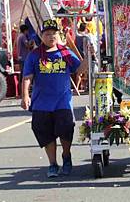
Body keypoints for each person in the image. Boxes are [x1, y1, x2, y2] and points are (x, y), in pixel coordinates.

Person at [21, 19, 89, 177]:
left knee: (66, 129)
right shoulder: (34, 55)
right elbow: (27, 77)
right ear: (42, 36)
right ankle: (52, 163)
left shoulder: (65, 53)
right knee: (45, 133)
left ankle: (66, 156)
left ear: (58, 36)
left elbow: (79, 70)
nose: (51, 36)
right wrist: (25, 96)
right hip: (41, 103)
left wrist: (88, 57)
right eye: (47, 34)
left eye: (54, 34)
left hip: (62, 101)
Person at [17, 24, 34, 88]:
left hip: (21, 57)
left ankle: (21, 90)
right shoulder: (23, 36)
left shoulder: (19, 36)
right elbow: (27, 45)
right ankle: (23, 89)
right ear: (25, 30)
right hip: (24, 57)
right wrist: (32, 43)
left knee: (22, 73)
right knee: (25, 73)